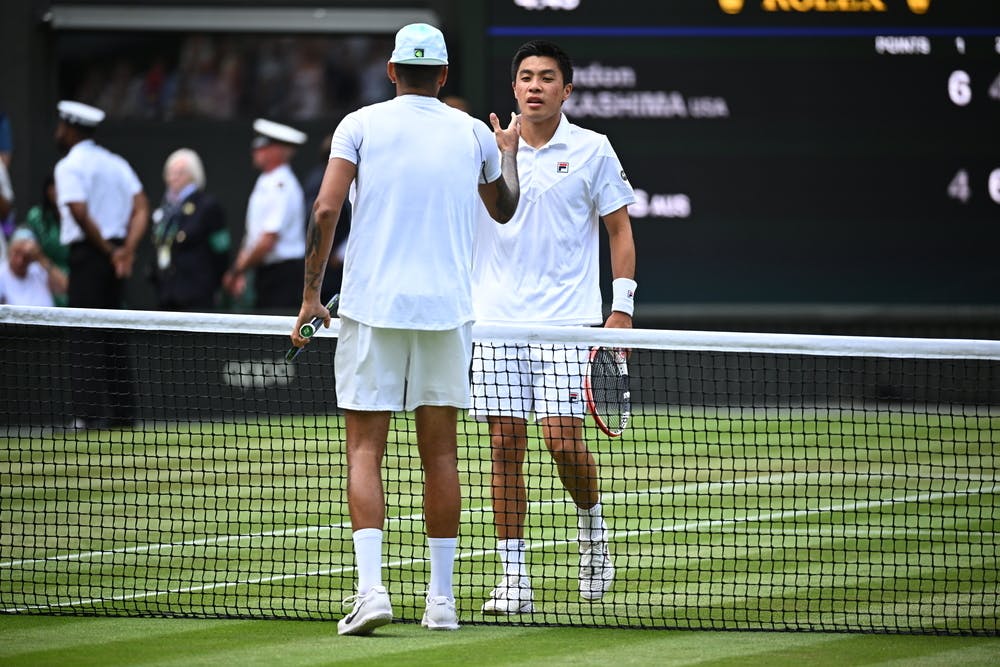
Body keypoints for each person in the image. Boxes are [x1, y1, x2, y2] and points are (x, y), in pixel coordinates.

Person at [289, 22, 521, 635]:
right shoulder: (475, 133)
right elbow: (505, 208)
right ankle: (440, 602)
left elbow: (325, 208)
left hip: (371, 309)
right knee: (440, 454)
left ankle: (372, 592)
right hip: (447, 312)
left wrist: (312, 295)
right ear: (443, 77)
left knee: (365, 450)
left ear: (392, 72)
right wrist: (509, 157)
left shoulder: (358, 125)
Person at [470, 39, 637, 614]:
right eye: (525, 77)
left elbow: (619, 231)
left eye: (546, 77)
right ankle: (514, 576)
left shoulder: (594, 150)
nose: (534, 85)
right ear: (514, 89)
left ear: (566, 90)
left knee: (563, 442)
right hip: (494, 323)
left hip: (567, 325)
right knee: (503, 444)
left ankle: (592, 534)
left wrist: (622, 309)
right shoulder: (484, 151)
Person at [53, 100, 149, 429]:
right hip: (114, 257)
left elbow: (78, 211)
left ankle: (87, 415)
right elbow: (141, 207)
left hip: (91, 257)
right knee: (112, 333)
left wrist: (113, 252)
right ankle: (123, 414)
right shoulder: (117, 163)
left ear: (68, 128)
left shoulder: (68, 166)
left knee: (85, 333)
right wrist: (126, 251)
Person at [223, 118, 306, 313]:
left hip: (282, 276)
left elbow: (268, 240)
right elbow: (254, 235)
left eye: (262, 147)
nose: (255, 152)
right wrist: (241, 267)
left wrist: (237, 271)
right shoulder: (266, 180)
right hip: (267, 272)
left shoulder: (281, 185)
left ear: (277, 151)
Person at [150, 148, 230, 311]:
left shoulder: (207, 206)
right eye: (170, 172)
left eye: (180, 173)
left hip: (197, 295)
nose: (173, 177)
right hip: (166, 294)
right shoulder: (166, 211)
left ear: (194, 175)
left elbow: (222, 251)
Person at [302, 132, 351, 301]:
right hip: (328, 264)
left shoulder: (315, 179)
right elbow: (323, 214)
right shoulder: (319, 181)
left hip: (330, 263)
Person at [23, 174, 70, 306]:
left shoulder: (75, 217)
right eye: (53, 187)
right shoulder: (36, 216)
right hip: (39, 275)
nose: (56, 192)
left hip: (70, 276)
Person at [0, 227, 68, 306]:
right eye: (16, 253)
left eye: (26, 257)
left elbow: (65, 287)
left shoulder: (38, 270)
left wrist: (40, 258)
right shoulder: (2, 274)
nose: (20, 261)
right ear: (10, 251)